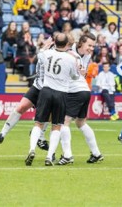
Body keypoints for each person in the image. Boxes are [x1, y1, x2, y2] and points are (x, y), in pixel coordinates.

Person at [25, 33, 80, 166]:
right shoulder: (70, 59)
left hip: (46, 91)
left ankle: (32, 149)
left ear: (54, 42)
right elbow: (75, 77)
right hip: (61, 93)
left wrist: (45, 46)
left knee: (38, 123)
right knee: (56, 126)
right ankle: (49, 156)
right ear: (67, 44)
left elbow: (39, 55)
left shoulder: (46, 54)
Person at [0, 38, 55, 148]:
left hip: (50, 89)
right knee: (21, 107)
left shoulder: (60, 55)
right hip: (37, 87)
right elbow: (38, 60)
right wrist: (44, 48)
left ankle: (40, 136)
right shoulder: (44, 51)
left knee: (49, 115)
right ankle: (2, 133)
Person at [58, 34, 105, 165]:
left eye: (93, 46)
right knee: (80, 123)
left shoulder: (82, 54)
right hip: (84, 91)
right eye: (89, 45)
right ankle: (96, 153)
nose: (91, 49)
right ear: (80, 44)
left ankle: (67, 155)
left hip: (77, 90)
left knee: (64, 121)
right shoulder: (68, 49)